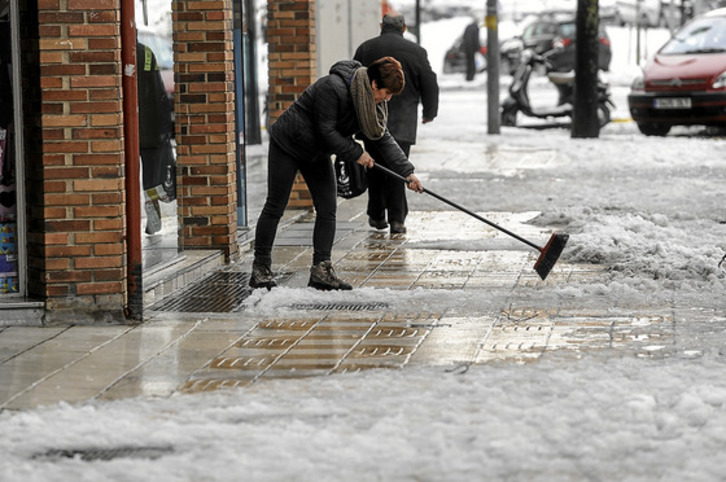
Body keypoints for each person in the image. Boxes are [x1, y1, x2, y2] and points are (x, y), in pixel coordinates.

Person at [249, 57, 423, 291]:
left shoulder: (371, 103)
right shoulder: (332, 87)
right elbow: (326, 131)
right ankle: (261, 268)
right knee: (275, 205)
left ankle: (321, 270)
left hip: (317, 152)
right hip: (288, 144)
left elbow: (382, 137)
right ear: (374, 84)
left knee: (327, 208)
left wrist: (407, 173)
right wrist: (357, 153)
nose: (387, 99)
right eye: (387, 93)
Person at [354, 12, 439, 234]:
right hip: (403, 120)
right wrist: (429, 112)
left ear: (381, 25)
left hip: (370, 118)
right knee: (397, 168)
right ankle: (397, 219)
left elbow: (354, 82)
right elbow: (429, 81)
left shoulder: (366, 48)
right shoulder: (416, 51)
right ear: (404, 28)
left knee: (374, 167)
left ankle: (376, 215)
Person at [137, 41, 175, 235]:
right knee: (151, 179)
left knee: (136, 179)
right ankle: (153, 219)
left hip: (135, 128)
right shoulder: (145, 52)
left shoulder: (140, 52)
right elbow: (158, 90)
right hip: (150, 128)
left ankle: (149, 220)